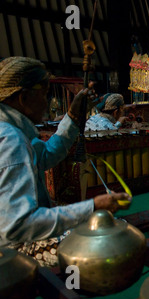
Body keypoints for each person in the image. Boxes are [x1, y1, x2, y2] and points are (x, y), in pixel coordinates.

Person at [0, 57, 132, 267]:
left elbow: (45, 155)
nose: (47, 103)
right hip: (10, 249)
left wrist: (72, 115)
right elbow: (19, 226)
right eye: (44, 95)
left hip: (13, 233)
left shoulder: (12, 131)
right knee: (109, 235)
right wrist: (92, 206)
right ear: (24, 98)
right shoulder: (10, 140)